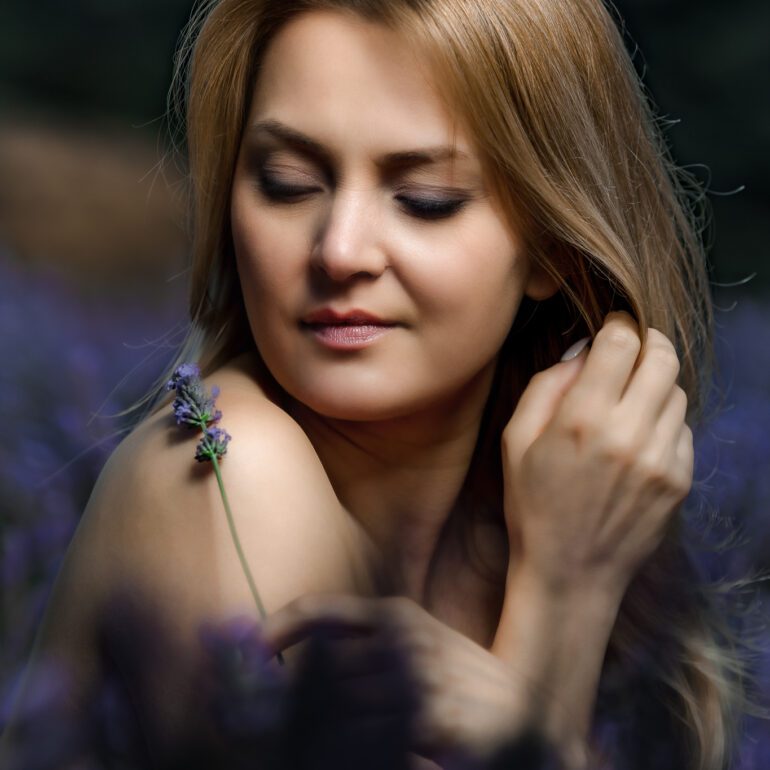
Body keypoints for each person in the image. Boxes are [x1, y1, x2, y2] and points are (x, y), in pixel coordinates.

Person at [0, 1, 745, 768]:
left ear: (553, 248)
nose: (340, 250)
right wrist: (561, 609)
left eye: (426, 199)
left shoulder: (551, 510)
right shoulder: (227, 475)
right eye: (288, 184)